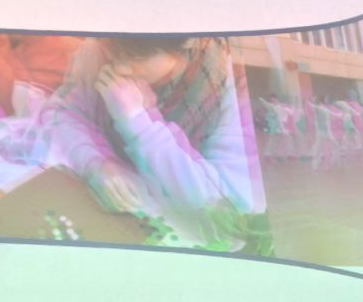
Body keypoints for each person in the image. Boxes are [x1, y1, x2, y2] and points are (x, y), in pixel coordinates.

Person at [40, 37, 269, 250]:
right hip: (106, 218)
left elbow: (227, 206)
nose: (119, 68)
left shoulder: (229, 83)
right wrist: (96, 163)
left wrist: (139, 124)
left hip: (181, 239)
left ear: (189, 41)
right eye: (112, 53)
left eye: (135, 57)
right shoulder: (100, 48)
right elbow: (65, 113)